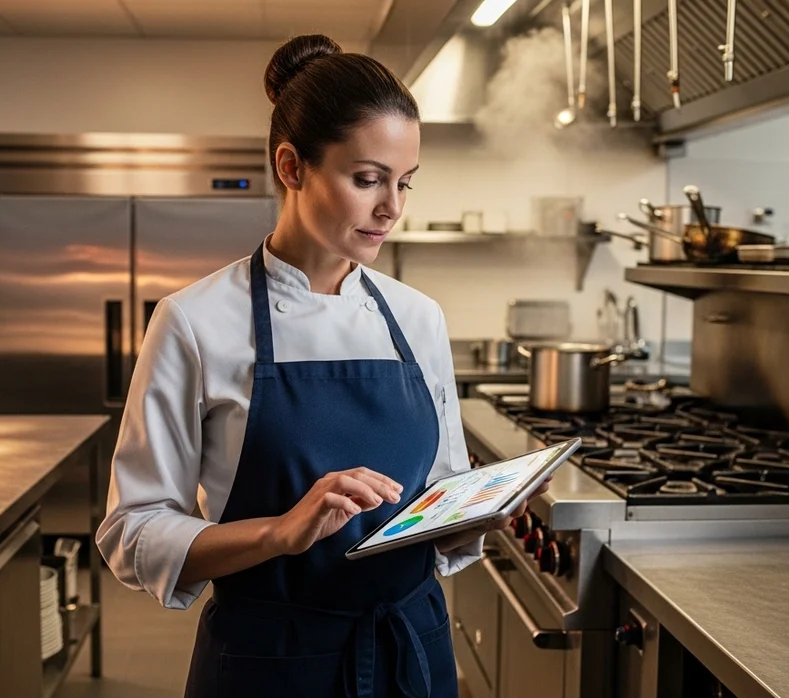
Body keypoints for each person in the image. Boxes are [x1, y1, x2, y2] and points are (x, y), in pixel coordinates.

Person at [97, 34, 548, 698]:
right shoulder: (195, 321)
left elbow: (440, 493)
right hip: (269, 662)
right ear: (292, 166)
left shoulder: (418, 317)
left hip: (411, 654)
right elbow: (133, 532)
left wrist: (481, 508)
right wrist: (280, 532)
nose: (391, 207)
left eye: (404, 183)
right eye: (366, 179)